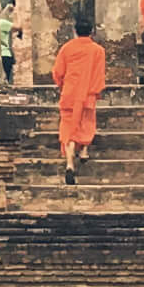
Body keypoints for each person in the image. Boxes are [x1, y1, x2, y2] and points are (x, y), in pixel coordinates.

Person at [52, 13, 107, 184]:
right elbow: (99, 74)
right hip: (88, 95)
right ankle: (83, 150)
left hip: (70, 93)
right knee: (85, 125)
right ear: (91, 32)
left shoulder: (67, 49)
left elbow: (57, 72)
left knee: (68, 130)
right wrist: (95, 90)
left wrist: (63, 86)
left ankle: (69, 164)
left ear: (75, 32)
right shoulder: (98, 51)